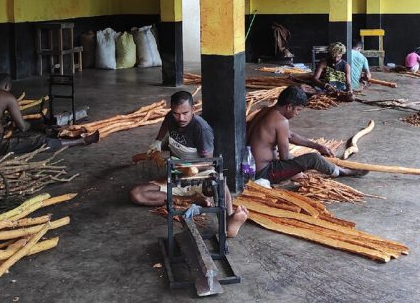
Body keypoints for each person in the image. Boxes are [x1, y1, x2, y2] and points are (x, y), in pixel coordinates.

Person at [129, 91, 249, 237]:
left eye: (185, 113)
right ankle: (190, 200)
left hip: (199, 176)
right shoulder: (171, 118)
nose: (181, 118)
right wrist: (158, 141)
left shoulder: (201, 129)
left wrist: (185, 167)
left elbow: (208, 163)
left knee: (218, 183)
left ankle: (229, 220)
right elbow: (166, 122)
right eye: (176, 113)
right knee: (136, 194)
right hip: (176, 177)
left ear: (193, 109)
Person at [247, 85, 367, 185]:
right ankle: (342, 172)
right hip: (264, 173)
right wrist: (294, 172)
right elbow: (285, 158)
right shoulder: (281, 121)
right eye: (298, 110)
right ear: (289, 107)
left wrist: (318, 146)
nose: (297, 114)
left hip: (250, 167)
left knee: (303, 157)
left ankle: (338, 169)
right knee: (313, 159)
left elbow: (290, 136)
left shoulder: (266, 111)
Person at [0, 73, 98, 157]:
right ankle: (81, 141)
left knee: (19, 132)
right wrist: (36, 125)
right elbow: (23, 127)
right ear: (7, 86)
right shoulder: (6, 96)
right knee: (38, 140)